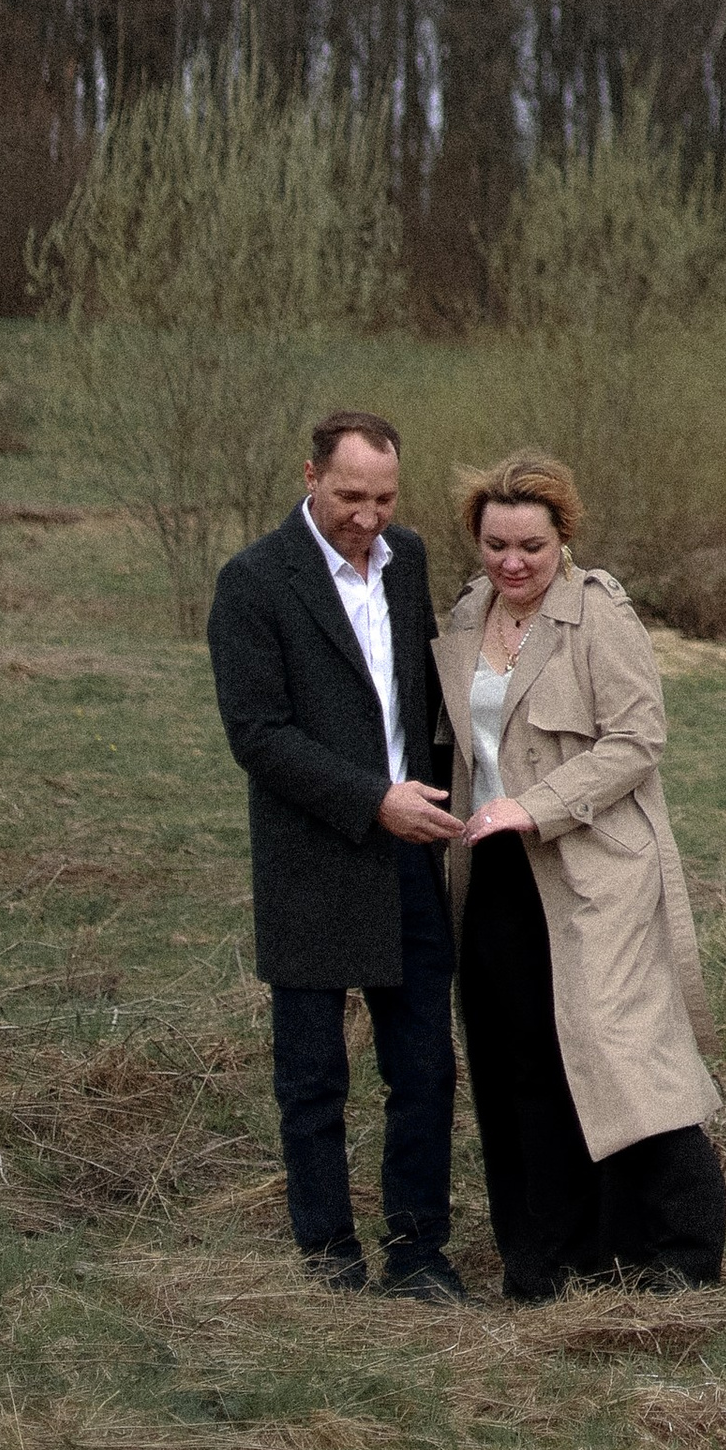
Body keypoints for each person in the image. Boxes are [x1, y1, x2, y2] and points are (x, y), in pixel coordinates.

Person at [434, 450, 726, 1300]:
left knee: (622, 1055)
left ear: (564, 536)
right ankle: (545, 1258)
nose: (513, 563)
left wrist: (539, 806)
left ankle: (680, 1254)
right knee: (516, 1061)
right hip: (491, 877)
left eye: (531, 544)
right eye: (495, 546)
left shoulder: (600, 616)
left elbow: (638, 741)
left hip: (595, 871)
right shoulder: (463, 618)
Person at [205, 414, 466, 1299]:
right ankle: (329, 1260)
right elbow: (258, 735)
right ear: (310, 475)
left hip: (412, 855)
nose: (368, 516)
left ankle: (420, 1254)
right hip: (312, 858)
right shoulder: (253, 582)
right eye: (351, 495)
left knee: (425, 1067)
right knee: (314, 1078)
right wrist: (371, 800)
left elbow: (423, 699)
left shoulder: (410, 561)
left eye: (385, 497)